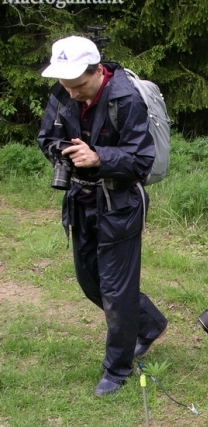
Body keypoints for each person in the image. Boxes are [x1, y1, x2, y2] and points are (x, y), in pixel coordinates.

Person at [38, 35, 168, 397]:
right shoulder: (64, 92)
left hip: (120, 203)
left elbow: (141, 161)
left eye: (79, 86)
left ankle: (117, 369)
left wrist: (99, 158)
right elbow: (45, 137)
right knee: (89, 280)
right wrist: (62, 150)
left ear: (98, 71)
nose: (73, 93)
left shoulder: (126, 99)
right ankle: (149, 323)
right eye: (66, 86)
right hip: (80, 200)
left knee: (116, 289)